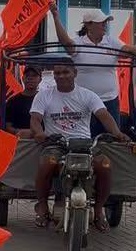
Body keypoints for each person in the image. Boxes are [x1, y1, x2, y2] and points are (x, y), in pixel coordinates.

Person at [30, 58, 129, 231]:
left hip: (84, 145)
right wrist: (39, 133)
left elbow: (103, 115)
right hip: (56, 143)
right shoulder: (44, 95)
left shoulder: (88, 95)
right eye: (57, 73)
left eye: (65, 72)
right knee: (48, 163)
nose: (61, 76)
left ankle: (98, 210)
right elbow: (35, 119)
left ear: (75, 73)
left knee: (104, 164)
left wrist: (117, 133)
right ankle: (43, 206)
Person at [49, 2, 136, 131]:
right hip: (84, 102)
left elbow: (127, 49)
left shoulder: (111, 41)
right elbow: (65, 42)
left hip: (109, 100)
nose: (105, 24)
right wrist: (55, 16)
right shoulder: (79, 42)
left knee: (112, 138)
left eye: (105, 21)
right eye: (101, 22)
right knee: (85, 138)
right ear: (88, 25)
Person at [5, 64, 42, 138]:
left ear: (40, 80)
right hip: (21, 143)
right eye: (27, 75)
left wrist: (38, 132)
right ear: (23, 78)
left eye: (34, 75)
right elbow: (7, 126)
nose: (30, 78)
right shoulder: (13, 101)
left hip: (43, 142)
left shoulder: (45, 99)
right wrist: (18, 132)